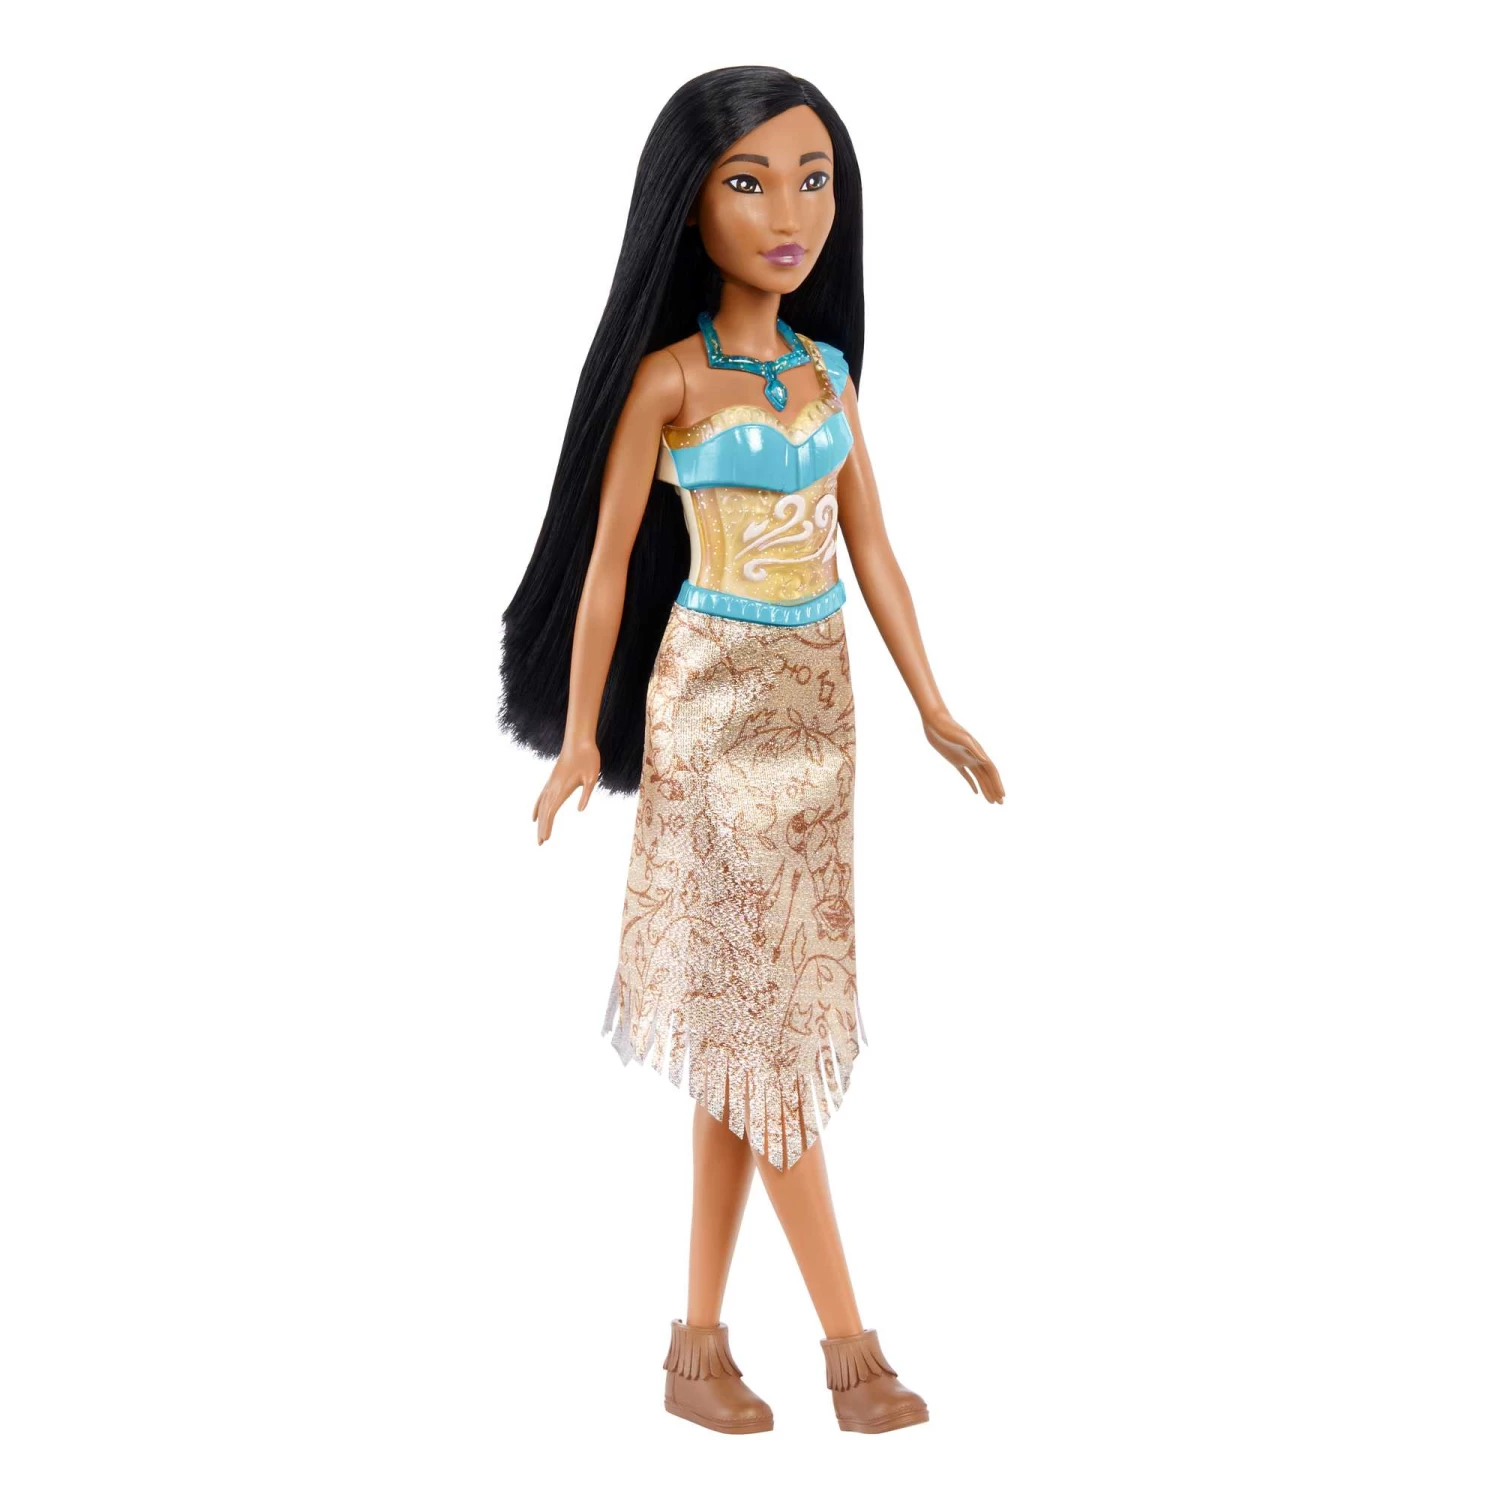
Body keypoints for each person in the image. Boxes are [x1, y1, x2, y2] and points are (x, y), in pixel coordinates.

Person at [499, 65, 1004, 1436]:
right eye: (749, 181)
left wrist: (932, 703)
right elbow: (609, 568)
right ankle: (854, 1349)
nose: (789, 213)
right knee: (771, 1035)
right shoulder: (670, 380)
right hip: (713, 714)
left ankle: (697, 1352)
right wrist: (581, 737)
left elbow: (874, 548)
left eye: (813, 180)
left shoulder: (826, 373)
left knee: (750, 1031)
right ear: (689, 203)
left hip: (820, 716)